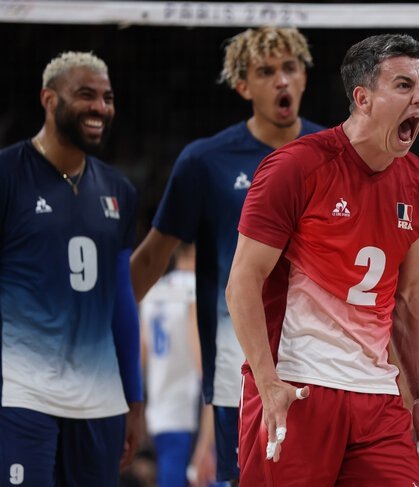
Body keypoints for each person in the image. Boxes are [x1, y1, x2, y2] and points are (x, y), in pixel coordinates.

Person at [226, 33, 419, 486]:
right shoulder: (296, 167)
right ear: (362, 98)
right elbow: (243, 279)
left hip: (377, 396)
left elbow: (407, 298)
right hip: (297, 385)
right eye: (403, 85)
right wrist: (266, 381)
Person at [130, 26, 324, 486]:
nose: (281, 80)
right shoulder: (204, 161)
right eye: (266, 71)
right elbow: (153, 257)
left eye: (290, 68)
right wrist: (102, 322)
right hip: (239, 373)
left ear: (304, 76)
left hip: (323, 365)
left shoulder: (335, 153)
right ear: (243, 86)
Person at [0, 51, 142, 485]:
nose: (100, 107)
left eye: (107, 98)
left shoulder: (119, 189)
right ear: (49, 99)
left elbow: (122, 301)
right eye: (86, 95)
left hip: (100, 400)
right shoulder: (8, 175)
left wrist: (134, 397)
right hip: (22, 394)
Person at [140, 244, 215, 487]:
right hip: (190, 415)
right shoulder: (196, 290)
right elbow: (206, 369)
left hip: (160, 414)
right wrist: (207, 440)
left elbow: (141, 358)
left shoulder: (152, 291)